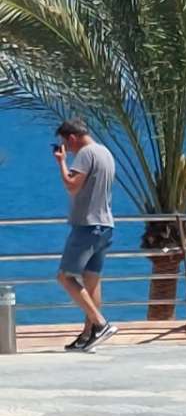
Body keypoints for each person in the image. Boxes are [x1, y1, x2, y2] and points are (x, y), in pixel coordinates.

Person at [53, 118, 117, 351]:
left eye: (66, 143)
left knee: (65, 276)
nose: (66, 148)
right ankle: (87, 335)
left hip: (88, 225)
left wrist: (61, 163)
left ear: (72, 138)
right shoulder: (105, 153)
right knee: (92, 281)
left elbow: (72, 185)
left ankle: (100, 324)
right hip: (106, 225)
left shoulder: (85, 153)